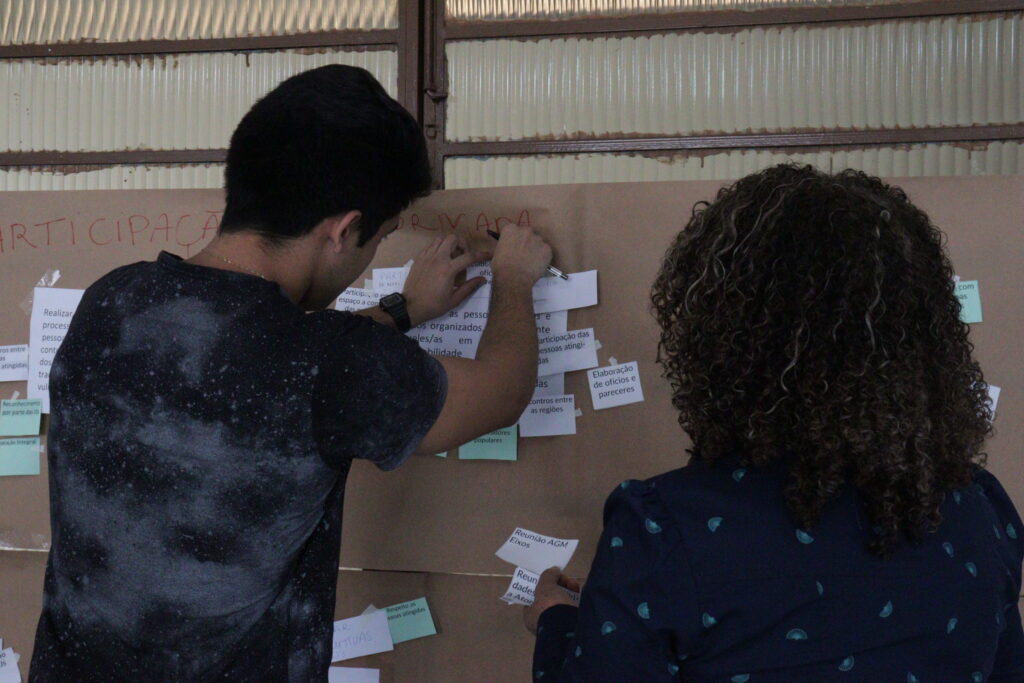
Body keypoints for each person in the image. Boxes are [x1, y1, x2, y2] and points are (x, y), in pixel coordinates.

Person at [30, 65, 552, 681]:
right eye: (379, 239)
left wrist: (404, 310)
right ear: (343, 230)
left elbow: (254, 364)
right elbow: (500, 392)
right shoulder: (329, 364)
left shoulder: (114, 300)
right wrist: (514, 279)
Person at [525, 165, 1024, 680]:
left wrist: (557, 623)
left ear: (720, 340)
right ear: (925, 332)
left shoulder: (663, 531)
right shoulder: (981, 511)